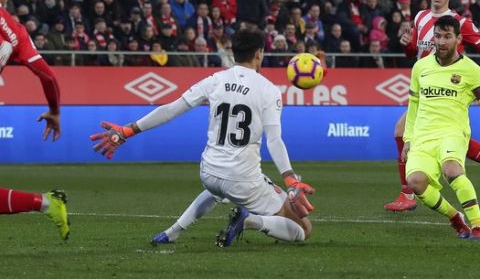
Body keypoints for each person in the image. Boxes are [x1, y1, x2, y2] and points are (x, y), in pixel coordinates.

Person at [90, 28, 315, 247]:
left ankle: (172, 232)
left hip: (209, 172)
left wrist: (127, 131)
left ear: (233, 53)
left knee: (217, 189)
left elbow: (170, 110)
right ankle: (249, 220)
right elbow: (274, 139)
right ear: (259, 53)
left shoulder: (215, 80)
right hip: (242, 180)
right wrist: (290, 179)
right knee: (304, 228)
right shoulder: (268, 90)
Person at [385, 0, 480, 211]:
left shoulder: (460, 23)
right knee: (450, 142)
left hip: (449, 91)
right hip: (424, 87)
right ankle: (408, 192)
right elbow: (414, 53)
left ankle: (407, 194)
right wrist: (406, 45)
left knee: (401, 129)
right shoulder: (420, 17)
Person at [0, 0, 69, 241]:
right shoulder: (16, 31)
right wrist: (54, 111)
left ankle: (46, 203)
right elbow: (49, 77)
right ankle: (46, 203)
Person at [403, 15, 480, 239]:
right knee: (416, 183)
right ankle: (455, 217)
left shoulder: (471, 70)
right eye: (438, 36)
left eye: (447, 36)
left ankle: (477, 223)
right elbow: (413, 105)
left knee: (452, 170)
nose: (442, 42)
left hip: (453, 132)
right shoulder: (420, 68)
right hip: (423, 135)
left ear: (458, 38)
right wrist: (408, 139)